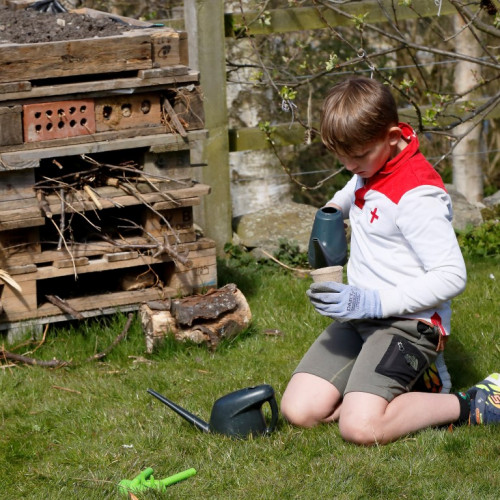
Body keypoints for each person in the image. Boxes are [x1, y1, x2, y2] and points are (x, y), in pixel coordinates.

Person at [280, 77, 500, 445]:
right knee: (299, 411)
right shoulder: (370, 165)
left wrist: (373, 301)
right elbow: (354, 186)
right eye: (342, 158)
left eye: (358, 156)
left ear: (393, 134)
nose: (351, 166)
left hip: (407, 324)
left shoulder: (417, 195)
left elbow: (452, 276)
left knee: (360, 429)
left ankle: (472, 402)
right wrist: (334, 209)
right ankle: (403, 387)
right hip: (361, 317)